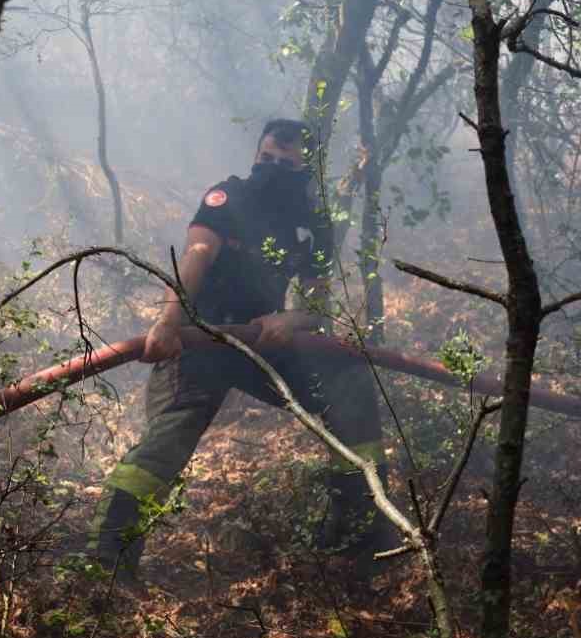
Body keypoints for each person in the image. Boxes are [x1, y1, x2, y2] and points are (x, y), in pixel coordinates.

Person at [87, 119, 392, 583]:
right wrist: (169, 321)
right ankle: (107, 562)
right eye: (265, 158)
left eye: (284, 163)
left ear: (305, 168)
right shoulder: (226, 199)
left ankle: (358, 536)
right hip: (199, 341)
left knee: (348, 386)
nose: (270, 168)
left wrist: (289, 320)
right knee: (170, 438)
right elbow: (197, 255)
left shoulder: (313, 223)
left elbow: (315, 306)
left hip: (260, 345)